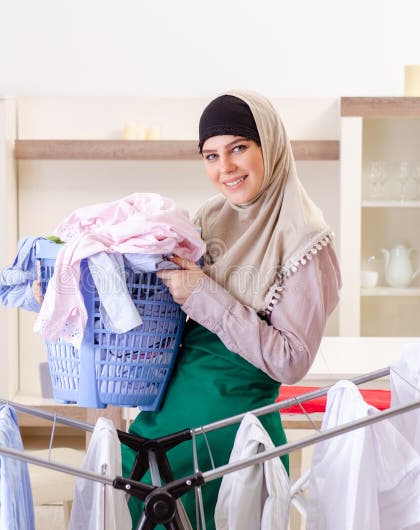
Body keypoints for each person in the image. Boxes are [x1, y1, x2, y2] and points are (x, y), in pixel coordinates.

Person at [120, 90, 342, 529]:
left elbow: (290, 361)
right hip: (160, 426)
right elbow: (169, 307)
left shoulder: (306, 241)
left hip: (234, 442)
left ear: (270, 146)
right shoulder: (208, 217)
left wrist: (204, 293)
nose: (225, 169)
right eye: (211, 155)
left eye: (238, 148)